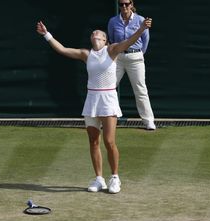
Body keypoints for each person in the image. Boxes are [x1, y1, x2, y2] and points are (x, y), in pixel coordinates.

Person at [36, 18, 152, 194]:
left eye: (99, 33)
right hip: (92, 100)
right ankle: (99, 179)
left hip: (108, 99)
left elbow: (129, 42)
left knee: (109, 141)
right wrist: (46, 34)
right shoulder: (86, 54)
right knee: (93, 141)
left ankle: (115, 178)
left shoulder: (112, 50)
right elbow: (62, 50)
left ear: (105, 40)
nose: (95, 34)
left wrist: (142, 29)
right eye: (93, 33)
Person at [108, 0, 156, 130]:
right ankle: (107, 118)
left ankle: (148, 121)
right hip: (118, 58)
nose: (124, 7)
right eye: (121, 4)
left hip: (136, 58)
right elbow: (111, 39)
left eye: (126, 4)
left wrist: (138, 53)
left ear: (132, 5)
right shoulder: (113, 21)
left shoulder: (141, 20)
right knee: (109, 87)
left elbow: (145, 41)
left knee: (140, 90)